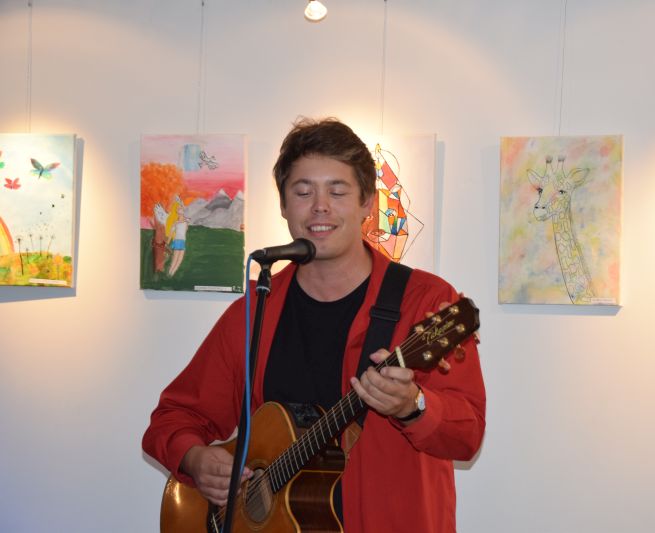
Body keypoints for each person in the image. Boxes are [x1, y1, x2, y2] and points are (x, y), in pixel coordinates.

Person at [142, 117, 486, 532]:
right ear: (284, 206)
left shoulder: (426, 301)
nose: (320, 206)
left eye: (337, 191)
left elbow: (467, 435)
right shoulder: (256, 309)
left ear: (367, 203)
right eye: (303, 192)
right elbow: (174, 417)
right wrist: (195, 459)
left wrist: (414, 406)